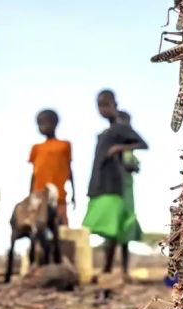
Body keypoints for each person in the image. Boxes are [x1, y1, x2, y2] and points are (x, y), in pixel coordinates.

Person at [82, 90, 148, 280]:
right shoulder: (104, 133)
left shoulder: (120, 128)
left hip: (115, 185)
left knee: (114, 228)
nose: (102, 109)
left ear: (114, 105)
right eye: (99, 106)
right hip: (100, 184)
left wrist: (120, 148)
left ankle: (108, 270)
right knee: (109, 228)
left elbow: (143, 144)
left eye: (106, 105)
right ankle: (109, 269)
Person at [28, 109, 75, 226]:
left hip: (59, 195)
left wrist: (74, 193)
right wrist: (30, 195)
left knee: (61, 226)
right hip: (39, 194)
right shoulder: (36, 148)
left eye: (45, 123)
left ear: (55, 123)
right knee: (38, 226)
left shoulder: (65, 145)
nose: (42, 127)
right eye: (39, 124)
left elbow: (69, 169)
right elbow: (34, 173)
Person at [115, 111, 144, 247]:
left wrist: (131, 166)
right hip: (114, 189)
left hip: (127, 187)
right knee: (114, 224)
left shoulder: (129, 147)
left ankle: (124, 267)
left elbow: (143, 146)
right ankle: (108, 265)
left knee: (127, 222)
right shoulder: (112, 141)